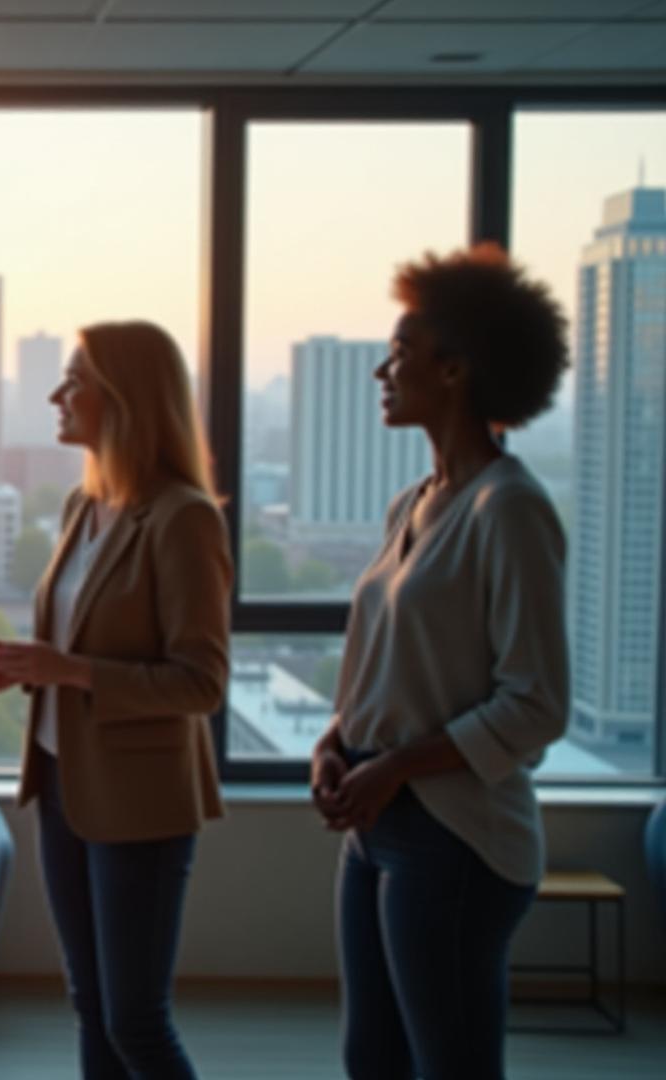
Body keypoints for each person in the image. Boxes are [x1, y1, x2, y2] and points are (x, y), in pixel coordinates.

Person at [310, 244, 570, 1080]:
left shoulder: (512, 510)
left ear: (455, 370)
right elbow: (391, 665)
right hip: (377, 823)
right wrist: (335, 740)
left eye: (400, 353)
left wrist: (394, 768)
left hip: (454, 835)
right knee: (372, 1062)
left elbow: (535, 706)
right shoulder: (410, 504)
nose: (383, 371)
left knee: (450, 1067)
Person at [0, 320, 228, 1080]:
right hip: (63, 785)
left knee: (136, 1020)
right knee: (90, 1003)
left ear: (125, 399)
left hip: (139, 803)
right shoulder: (85, 508)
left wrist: (70, 671)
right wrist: (25, 670)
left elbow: (200, 684)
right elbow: (78, 647)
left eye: (74, 380)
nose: (55, 394)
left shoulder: (183, 519)